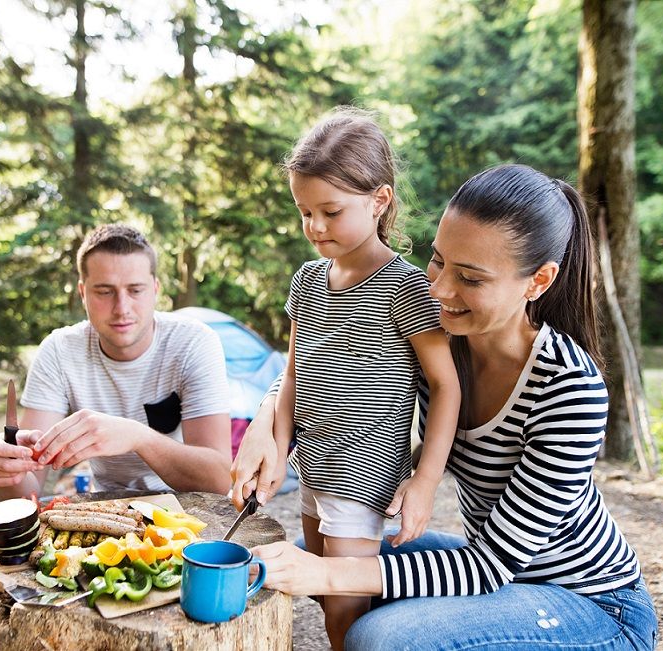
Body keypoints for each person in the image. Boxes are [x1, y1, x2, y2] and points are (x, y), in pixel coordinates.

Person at [245, 164, 659, 651]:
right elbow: (325, 365)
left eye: (470, 278)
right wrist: (263, 419)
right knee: (307, 556)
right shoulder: (447, 342)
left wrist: (328, 573)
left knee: (379, 636)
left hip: (586, 601)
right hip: (503, 578)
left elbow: (488, 565)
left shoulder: (568, 386)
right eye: (438, 261)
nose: (439, 289)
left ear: (539, 281)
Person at [233, 108, 461, 651]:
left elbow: (447, 387)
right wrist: (273, 449)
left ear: (379, 200)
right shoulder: (308, 279)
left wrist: (425, 483)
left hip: (361, 482)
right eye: (304, 212)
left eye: (330, 212)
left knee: (346, 615)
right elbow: (291, 379)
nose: (314, 228)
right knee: (325, 602)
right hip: (312, 471)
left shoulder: (403, 287)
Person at [0, 224, 232, 500]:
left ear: (155, 290)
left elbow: (218, 481)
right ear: (82, 292)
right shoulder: (58, 351)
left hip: (190, 512)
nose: (122, 308)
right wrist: (4, 470)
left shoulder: (193, 342)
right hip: (107, 508)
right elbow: (25, 493)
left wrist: (139, 437)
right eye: (104, 291)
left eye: (135, 290)